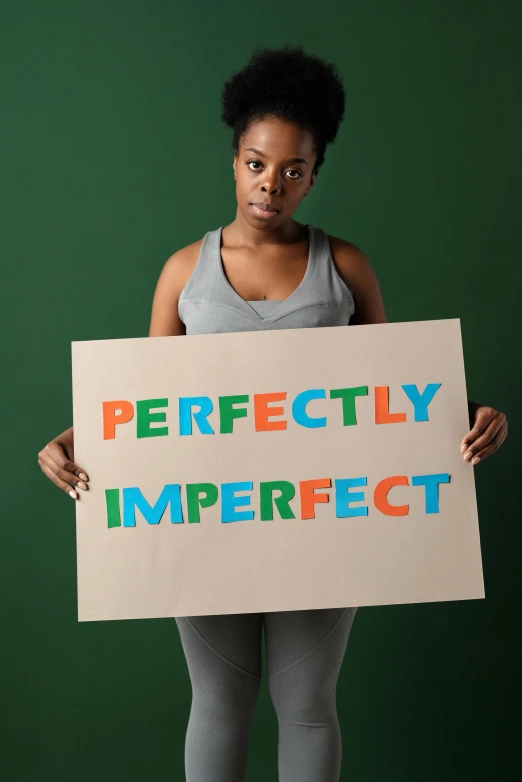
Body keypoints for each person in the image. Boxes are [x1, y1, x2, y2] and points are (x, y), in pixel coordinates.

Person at [37, 45, 508, 782]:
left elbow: (398, 393)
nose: (272, 185)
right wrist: (71, 440)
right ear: (234, 161)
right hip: (205, 521)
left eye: (293, 170)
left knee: (308, 701)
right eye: (258, 163)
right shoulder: (180, 274)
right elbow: (142, 404)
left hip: (322, 520)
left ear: (314, 175)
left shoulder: (345, 265)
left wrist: (474, 412)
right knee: (220, 700)